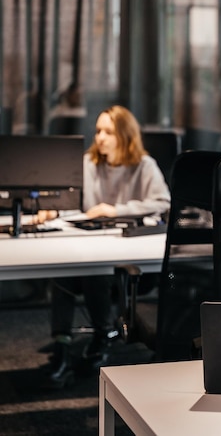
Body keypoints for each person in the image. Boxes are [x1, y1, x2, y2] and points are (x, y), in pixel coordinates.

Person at [42, 105, 171, 389]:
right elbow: (71, 202)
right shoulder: (88, 163)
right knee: (63, 269)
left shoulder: (143, 165)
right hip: (89, 245)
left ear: (124, 135)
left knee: (96, 269)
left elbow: (163, 203)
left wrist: (115, 210)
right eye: (98, 131)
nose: (100, 137)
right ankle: (62, 342)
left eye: (108, 132)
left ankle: (102, 335)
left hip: (127, 256)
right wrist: (52, 210)